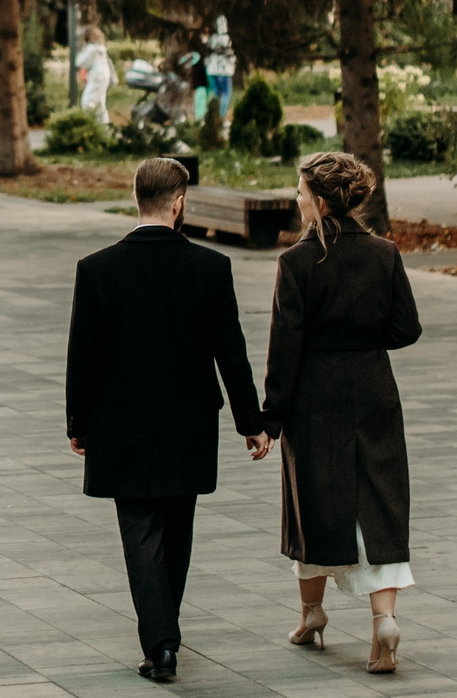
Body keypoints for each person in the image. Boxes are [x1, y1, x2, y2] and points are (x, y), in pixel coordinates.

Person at [66, 157, 271, 684]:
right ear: (179, 202)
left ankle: (161, 644)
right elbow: (231, 351)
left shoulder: (97, 269)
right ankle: (164, 636)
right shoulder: (209, 267)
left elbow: (81, 356)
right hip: (189, 423)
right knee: (177, 531)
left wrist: (78, 423)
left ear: (137, 197)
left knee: (140, 532)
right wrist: (253, 422)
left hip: (121, 423)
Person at [263, 151, 423, 675]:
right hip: (374, 392)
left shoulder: (295, 263)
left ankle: (312, 614)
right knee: (379, 502)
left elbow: (284, 350)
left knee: (313, 505)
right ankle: (384, 622)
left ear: (322, 201)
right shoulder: (384, 253)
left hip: (315, 401)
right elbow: (406, 330)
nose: (297, 198)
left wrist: (270, 418)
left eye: (302, 191)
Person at [76, 27, 117, 113]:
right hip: (104, 77)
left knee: (87, 101)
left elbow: (80, 62)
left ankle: (88, 122)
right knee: (100, 104)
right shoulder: (101, 49)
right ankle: (103, 124)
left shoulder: (91, 48)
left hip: (96, 77)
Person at [204, 16, 235, 116]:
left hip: (213, 70)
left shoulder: (212, 39)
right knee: (225, 94)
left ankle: (214, 115)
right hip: (223, 70)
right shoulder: (225, 38)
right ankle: (220, 116)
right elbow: (229, 54)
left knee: (216, 94)